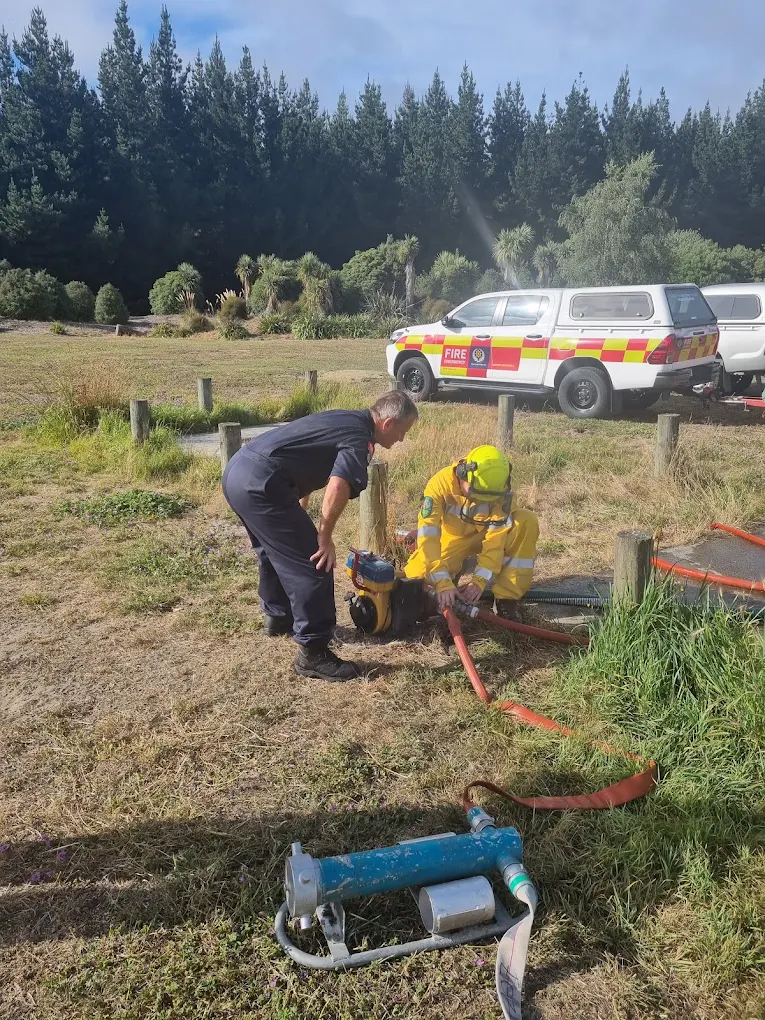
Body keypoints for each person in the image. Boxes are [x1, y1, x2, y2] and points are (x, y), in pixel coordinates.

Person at [223, 391, 418, 681]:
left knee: (272, 550)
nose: (401, 440)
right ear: (388, 423)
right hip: (263, 484)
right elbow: (337, 485)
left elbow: (304, 458)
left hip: (238, 471)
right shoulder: (359, 440)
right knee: (314, 564)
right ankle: (313, 654)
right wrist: (323, 538)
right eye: (402, 432)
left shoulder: (344, 418)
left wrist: (299, 507)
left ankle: (278, 617)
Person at [404, 445, 538, 618]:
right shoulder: (440, 484)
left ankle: (507, 600)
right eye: (475, 493)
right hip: (454, 538)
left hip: (487, 536)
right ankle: (453, 574)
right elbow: (428, 536)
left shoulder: (500, 491)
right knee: (416, 577)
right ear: (462, 473)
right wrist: (442, 582)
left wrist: (479, 582)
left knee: (525, 521)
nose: (478, 500)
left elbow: (495, 541)